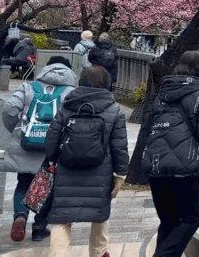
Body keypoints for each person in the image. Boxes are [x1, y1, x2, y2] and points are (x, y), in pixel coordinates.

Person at [141, 51, 199, 257]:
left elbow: (148, 128)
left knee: (168, 222)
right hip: (185, 167)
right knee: (192, 217)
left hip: (155, 166)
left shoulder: (162, 95)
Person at [44, 66, 128, 257]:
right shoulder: (114, 110)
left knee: (61, 218)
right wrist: (120, 174)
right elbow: (119, 147)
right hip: (101, 172)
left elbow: (51, 139)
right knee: (100, 214)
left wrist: (52, 160)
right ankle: (99, 254)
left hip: (67, 169)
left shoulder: (67, 106)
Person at [1, 57, 77, 242]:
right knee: (48, 186)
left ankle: (20, 215)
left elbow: (9, 109)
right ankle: (39, 226)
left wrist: (18, 130)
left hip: (27, 144)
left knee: (24, 183)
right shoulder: (71, 92)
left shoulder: (28, 87)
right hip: (54, 149)